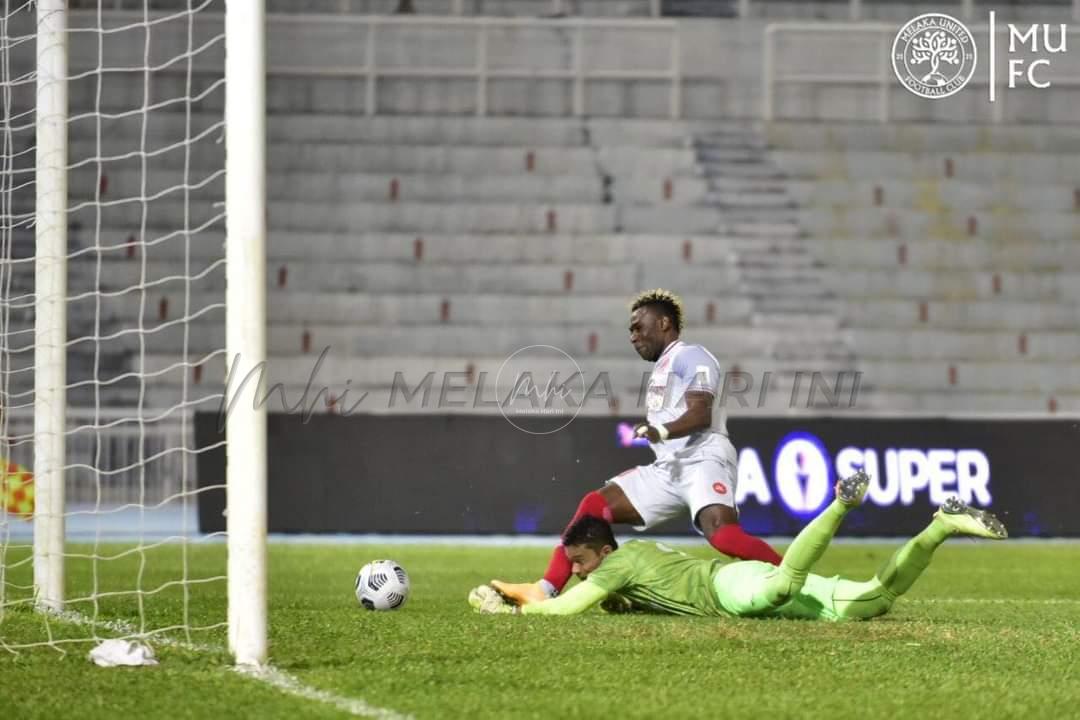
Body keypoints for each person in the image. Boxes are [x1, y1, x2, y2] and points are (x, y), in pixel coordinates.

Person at [491, 289, 782, 606]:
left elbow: (701, 413)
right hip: (669, 467)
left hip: (703, 457)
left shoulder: (691, 356)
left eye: (638, 327)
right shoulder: (663, 367)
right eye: (631, 329)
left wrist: (661, 429)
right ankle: (546, 589)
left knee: (724, 536)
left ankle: (794, 579)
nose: (632, 336)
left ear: (664, 323)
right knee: (594, 506)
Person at [469, 471, 1008, 619]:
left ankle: (841, 503)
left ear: (603, 553)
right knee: (874, 600)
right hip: (724, 578)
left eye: (581, 563)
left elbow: (564, 609)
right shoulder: (629, 565)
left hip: (728, 587)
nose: (580, 573)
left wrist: (509, 611)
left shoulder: (614, 567)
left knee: (777, 589)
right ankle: (940, 525)